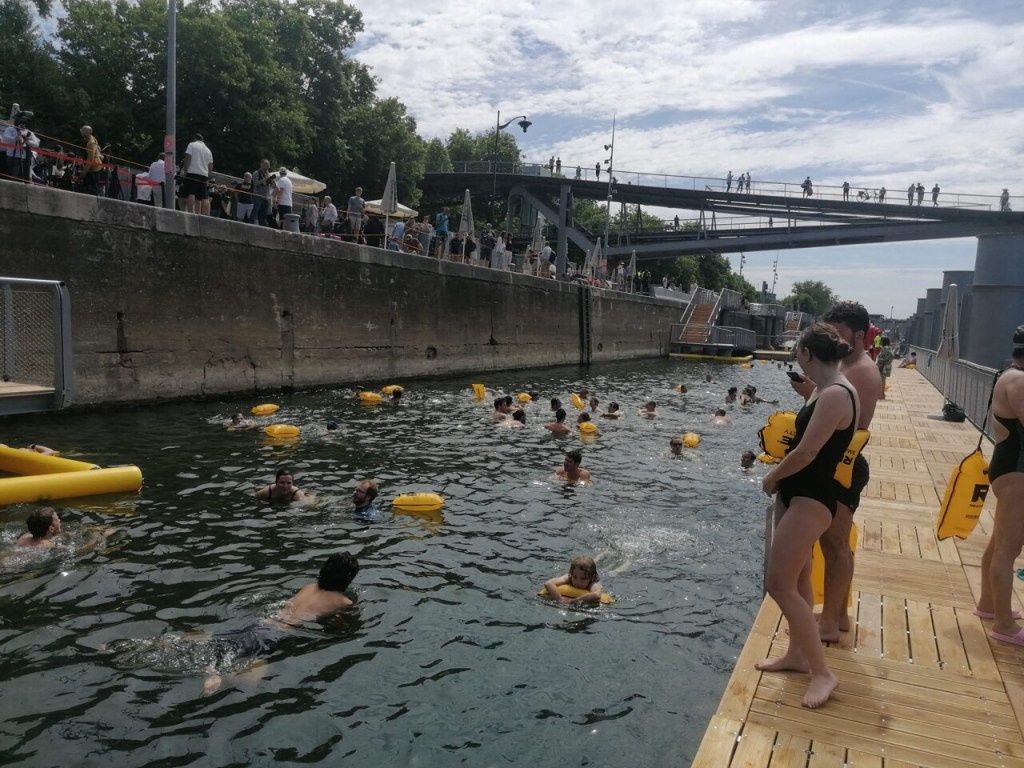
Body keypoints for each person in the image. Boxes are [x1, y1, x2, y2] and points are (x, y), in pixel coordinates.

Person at [758, 323, 859, 709]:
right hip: (797, 493)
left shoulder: (835, 393)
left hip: (812, 497)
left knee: (779, 584)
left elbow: (807, 453)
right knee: (798, 579)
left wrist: (771, 477)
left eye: (797, 350)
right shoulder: (824, 387)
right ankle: (796, 655)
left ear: (806, 354)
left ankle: (823, 673)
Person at [791, 301, 883, 642]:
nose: (832, 339)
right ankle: (837, 614)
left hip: (841, 465)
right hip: (840, 463)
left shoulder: (857, 371)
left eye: (839, 333)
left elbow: (840, 425)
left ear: (859, 335)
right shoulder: (852, 366)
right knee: (833, 544)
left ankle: (830, 622)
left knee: (836, 545)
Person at [975, 326, 1024, 645]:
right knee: (1009, 548)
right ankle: (1005, 625)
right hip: (1016, 473)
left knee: (999, 542)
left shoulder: (1009, 374)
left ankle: (989, 605)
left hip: (1010, 467)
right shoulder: (1020, 381)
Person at [181, 133, 213, 215]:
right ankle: (202, 214)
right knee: (202, 196)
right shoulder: (208, 150)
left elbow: (188, 157)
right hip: (204, 175)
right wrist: (209, 175)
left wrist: (185, 170)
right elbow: (210, 165)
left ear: (195, 138)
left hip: (192, 172)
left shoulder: (192, 145)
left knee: (191, 193)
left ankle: (191, 212)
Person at [80, 125, 102, 196]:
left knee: (93, 189)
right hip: (95, 166)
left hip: (94, 168)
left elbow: (90, 160)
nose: (81, 133)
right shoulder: (92, 138)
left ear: (86, 133)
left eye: (82, 131)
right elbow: (98, 147)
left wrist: (84, 171)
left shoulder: (90, 143)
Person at [252, 159, 275, 226]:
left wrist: (272, 179)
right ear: (261, 164)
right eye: (266, 165)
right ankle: (253, 225)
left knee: (263, 214)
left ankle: (262, 226)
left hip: (265, 197)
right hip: (258, 196)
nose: (267, 167)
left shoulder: (268, 174)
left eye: (268, 165)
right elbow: (255, 184)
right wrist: (265, 179)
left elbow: (274, 187)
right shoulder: (256, 173)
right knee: (255, 212)